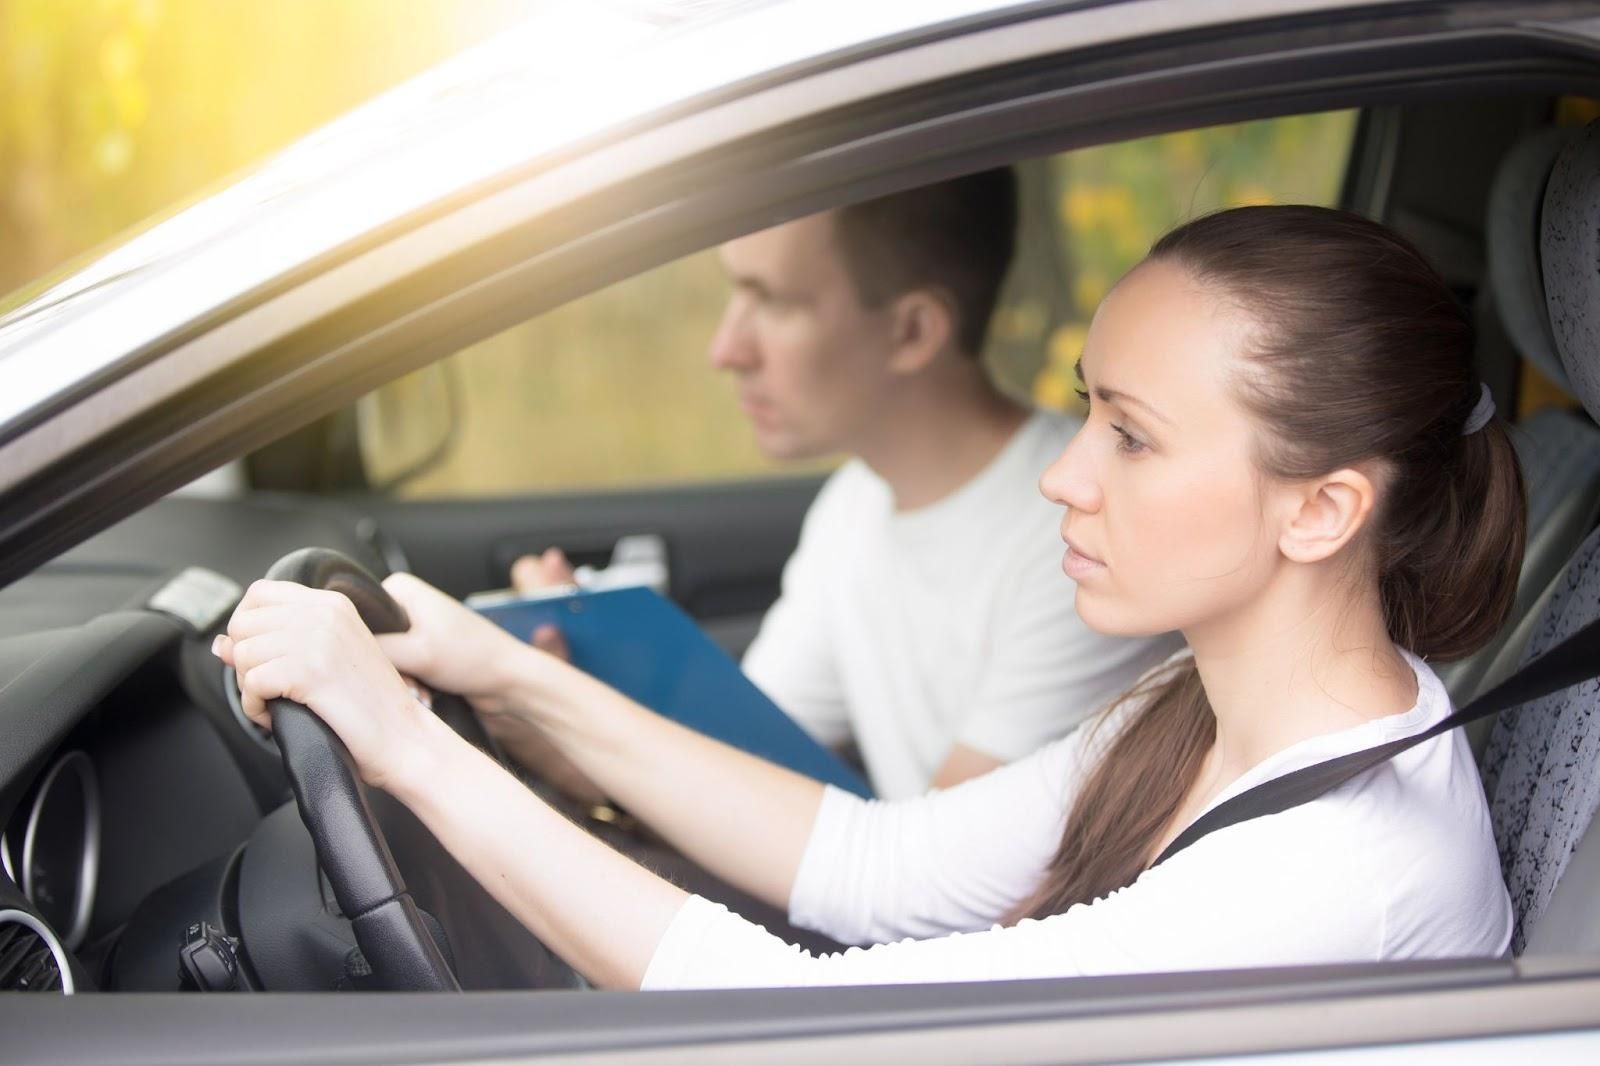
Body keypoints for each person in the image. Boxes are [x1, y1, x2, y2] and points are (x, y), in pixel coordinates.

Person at [216, 204, 1523, 989]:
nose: (1064, 474)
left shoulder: (1338, 871)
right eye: (1083, 410)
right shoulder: (1196, 708)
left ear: (1323, 508)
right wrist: (499, 671)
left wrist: (402, 751)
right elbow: (869, 864)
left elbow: (780, 1025)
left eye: (1130, 434)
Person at [509, 168, 1179, 798]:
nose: (726, 349)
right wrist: (564, 698)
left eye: (774, 301)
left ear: (912, 331)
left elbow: (946, 878)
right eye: (735, 292)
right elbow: (735, 767)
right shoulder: (854, 502)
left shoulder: (1079, 538)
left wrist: (578, 726)